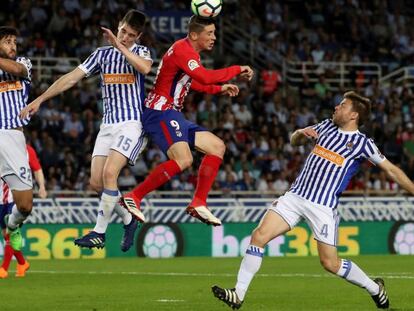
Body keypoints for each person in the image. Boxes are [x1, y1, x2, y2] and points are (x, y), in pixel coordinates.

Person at [210, 91, 412, 309]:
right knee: (258, 236)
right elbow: (294, 140)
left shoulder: (363, 144)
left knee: (330, 263)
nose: (336, 107)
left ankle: (374, 288)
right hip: (295, 197)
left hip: (322, 206)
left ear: (353, 115)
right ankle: (238, 294)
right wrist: (300, 133)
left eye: (342, 105)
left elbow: (391, 170)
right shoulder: (326, 126)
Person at [20, 10, 152, 251]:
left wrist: (119, 46)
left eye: (131, 35)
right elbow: (71, 78)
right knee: (96, 183)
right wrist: (39, 99)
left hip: (131, 124)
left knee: (110, 174)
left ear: (138, 36)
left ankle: (98, 232)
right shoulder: (101, 55)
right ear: (118, 25)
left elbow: (144, 69)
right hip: (108, 125)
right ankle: (129, 218)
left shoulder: (141, 52)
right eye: (123, 31)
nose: (125, 37)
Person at [120, 16, 253, 226]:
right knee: (184, 160)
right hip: (160, 111)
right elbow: (205, 77)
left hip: (173, 113)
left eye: (214, 33)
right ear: (194, 35)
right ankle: (134, 197)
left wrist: (220, 89)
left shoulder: (187, 52)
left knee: (217, 147)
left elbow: (191, 84)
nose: (214, 38)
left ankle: (199, 203)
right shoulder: (183, 50)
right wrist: (237, 69)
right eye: (209, 33)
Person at [0, 26, 34, 252]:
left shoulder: (24, 63)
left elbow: (18, 69)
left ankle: (11, 227)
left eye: (14, 41)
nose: (13, 45)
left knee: (24, 205)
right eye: (7, 41)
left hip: (12, 137)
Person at [0, 144, 47, 279]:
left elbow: (37, 169)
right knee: (6, 235)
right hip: (1, 200)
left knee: (10, 230)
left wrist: (42, 187)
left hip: (16, 197)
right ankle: (22, 262)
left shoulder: (27, 149)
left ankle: (4, 268)